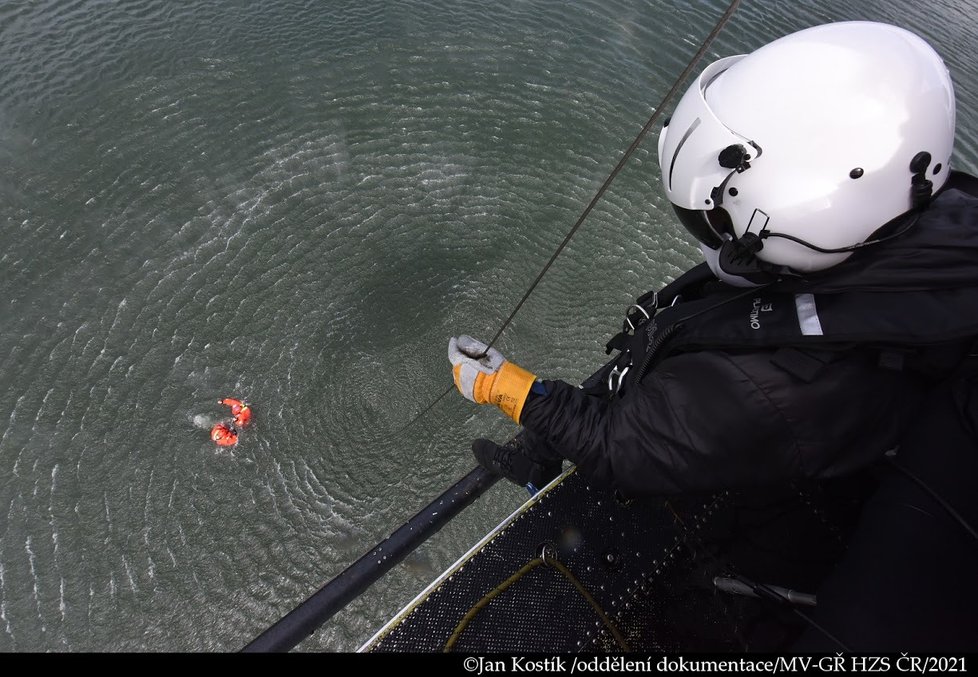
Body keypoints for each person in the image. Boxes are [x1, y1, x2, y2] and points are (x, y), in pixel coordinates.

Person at [448, 21, 978, 648]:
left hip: (784, 510)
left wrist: (506, 387)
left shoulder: (771, 387)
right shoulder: (924, 228)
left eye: (718, 221)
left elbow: (623, 447)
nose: (714, 236)